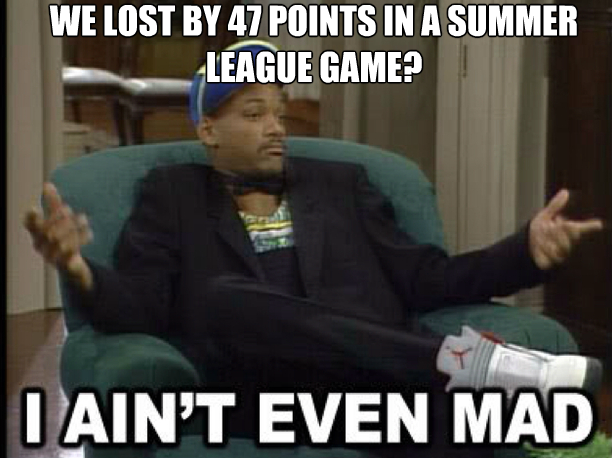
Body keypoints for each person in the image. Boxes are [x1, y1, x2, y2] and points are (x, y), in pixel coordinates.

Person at [24, 40, 604, 456]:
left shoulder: (341, 185)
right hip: (259, 391)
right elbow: (140, 305)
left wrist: (523, 250)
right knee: (222, 300)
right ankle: (465, 364)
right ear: (207, 130)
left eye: (279, 112)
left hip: (370, 383)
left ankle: (467, 379)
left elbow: (428, 279)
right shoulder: (170, 195)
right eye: (254, 113)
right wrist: (77, 267)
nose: (277, 126)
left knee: (469, 424)